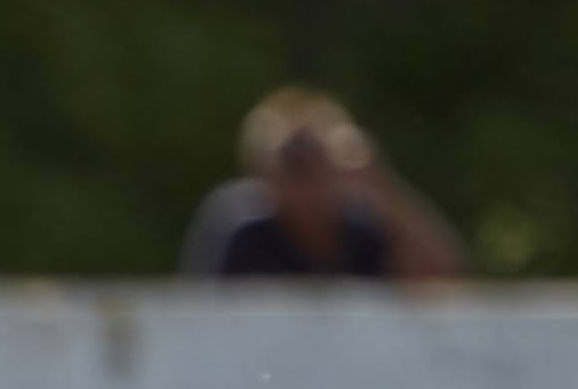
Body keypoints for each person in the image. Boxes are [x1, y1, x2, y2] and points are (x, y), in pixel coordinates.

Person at [180, 87, 466, 285]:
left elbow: (444, 275)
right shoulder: (243, 230)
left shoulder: (360, 230)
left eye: (315, 160)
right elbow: (204, 314)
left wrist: (381, 183)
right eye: (293, 162)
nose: (306, 180)